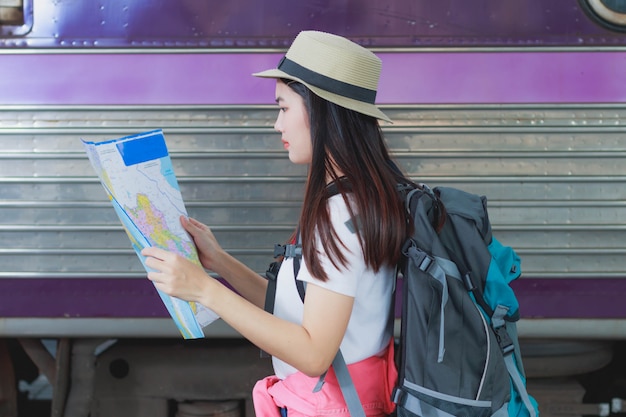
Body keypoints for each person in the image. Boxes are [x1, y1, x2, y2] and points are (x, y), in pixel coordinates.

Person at [141, 30, 411, 417]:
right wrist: (220, 263)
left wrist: (205, 291)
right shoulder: (362, 199)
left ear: (319, 110)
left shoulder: (339, 216)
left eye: (283, 108)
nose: (276, 125)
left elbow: (314, 353)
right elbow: (297, 307)